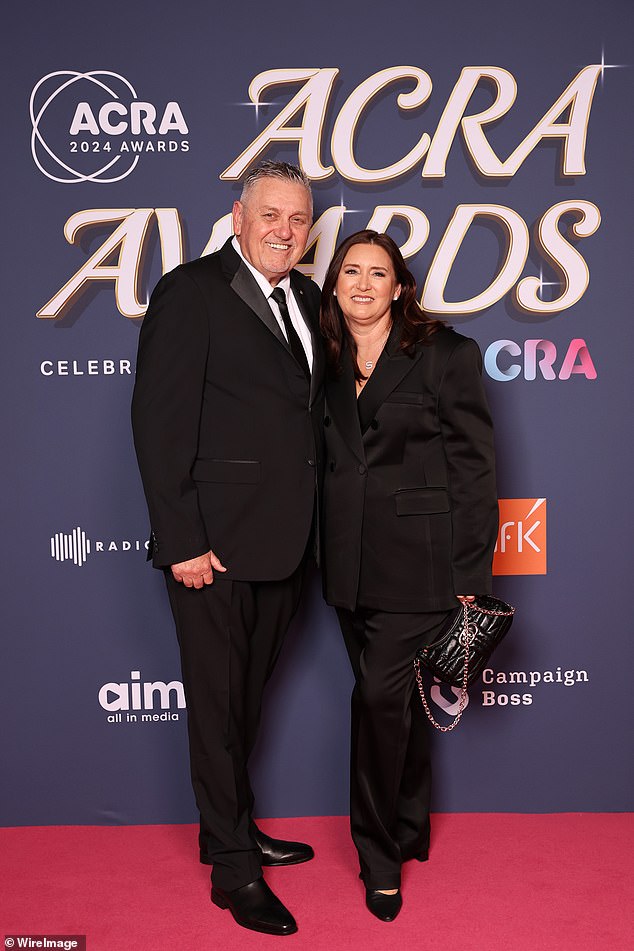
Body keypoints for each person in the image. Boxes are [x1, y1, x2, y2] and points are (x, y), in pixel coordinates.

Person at [131, 161, 324, 937]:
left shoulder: (308, 298)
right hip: (210, 547)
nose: (284, 230)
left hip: (287, 543)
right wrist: (181, 538)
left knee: (242, 701)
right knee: (215, 707)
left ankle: (233, 827)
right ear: (238, 216)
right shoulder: (191, 290)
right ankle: (233, 871)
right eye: (270, 214)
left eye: (298, 219)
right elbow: (158, 421)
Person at [319, 230, 498, 922]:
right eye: (350, 271)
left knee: (374, 701)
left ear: (400, 286)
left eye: (378, 273)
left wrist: (469, 571)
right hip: (345, 565)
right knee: (397, 706)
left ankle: (378, 856)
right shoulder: (323, 359)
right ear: (334, 283)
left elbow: (476, 470)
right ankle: (412, 821)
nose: (363, 284)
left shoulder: (445, 356)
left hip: (421, 568)